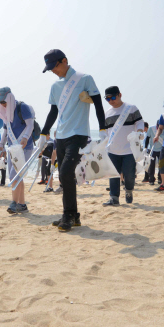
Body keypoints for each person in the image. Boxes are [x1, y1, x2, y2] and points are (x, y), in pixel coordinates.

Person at [39, 49, 108, 231]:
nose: (53, 71)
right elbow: (53, 112)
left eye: (54, 66)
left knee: (65, 172)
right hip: (60, 136)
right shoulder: (55, 86)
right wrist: (43, 132)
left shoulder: (84, 78)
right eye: (50, 68)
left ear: (64, 61)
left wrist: (103, 128)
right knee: (65, 176)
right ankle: (73, 215)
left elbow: (98, 103)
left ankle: (68, 215)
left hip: (78, 135)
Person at [101, 86, 144, 206]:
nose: (111, 100)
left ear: (120, 95)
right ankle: (114, 198)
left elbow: (139, 122)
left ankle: (129, 190)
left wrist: (140, 131)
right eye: (107, 99)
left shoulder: (131, 108)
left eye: (113, 97)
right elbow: (105, 132)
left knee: (129, 175)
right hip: (113, 150)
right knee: (113, 174)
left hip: (129, 150)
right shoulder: (107, 113)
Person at [0, 87, 36, 214]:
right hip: (12, 147)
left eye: (4, 102)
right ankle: (22, 205)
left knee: (15, 175)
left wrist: (25, 138)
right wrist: (1, 145)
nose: (3, 104)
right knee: (18, 175)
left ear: (10, 98)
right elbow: (6, 130)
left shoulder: (21, 107)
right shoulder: (5, 113)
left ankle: (13, 203)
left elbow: (30, 124)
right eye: (0, 102)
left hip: (25, 146)